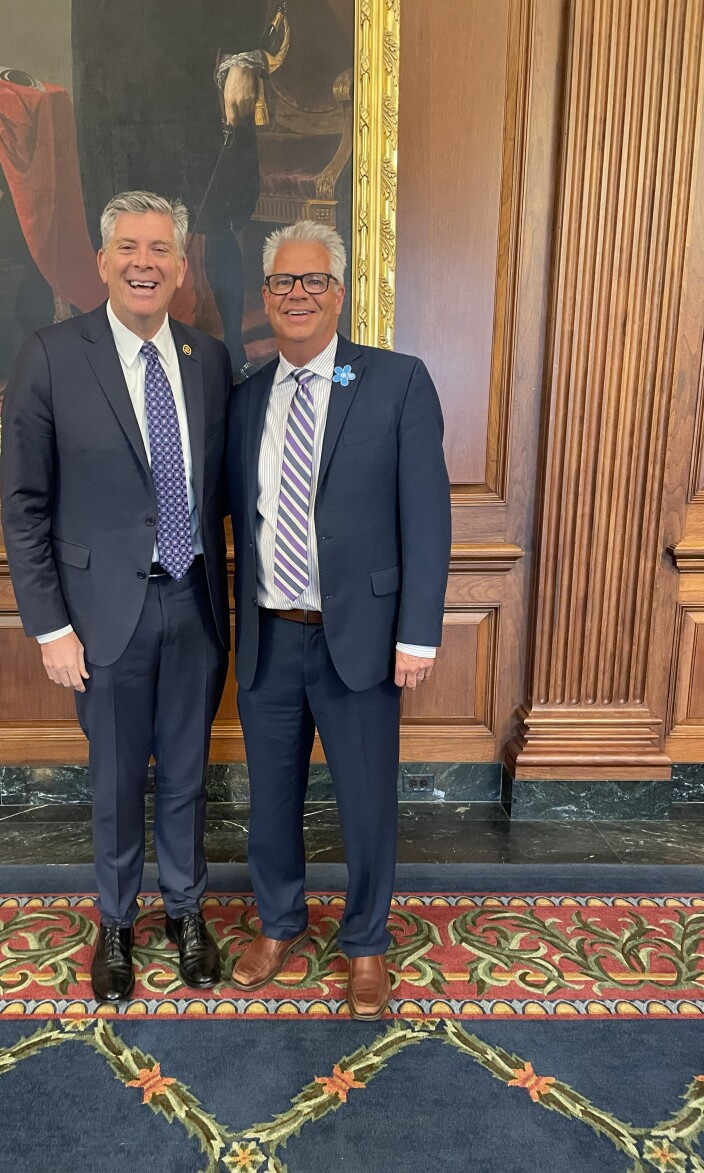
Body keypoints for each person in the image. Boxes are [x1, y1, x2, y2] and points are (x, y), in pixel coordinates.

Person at [1, 191, 231, 1004]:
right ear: (101, 263)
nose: (144, 261)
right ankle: (117, 923)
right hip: (100, 621)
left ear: (180, 265)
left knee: (187, 776)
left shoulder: (208, 359)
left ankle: (186, 912)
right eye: (128, 247)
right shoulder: (53, 355)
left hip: (194, 606)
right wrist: (49, 626)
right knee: (115, 780)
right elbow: (24, 504)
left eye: (160, 247)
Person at [226, 220, 451, 1019]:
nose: (298, 294)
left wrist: (418, 631)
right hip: (270, 637)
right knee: (272, 799)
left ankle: (365, 944)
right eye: (284, 282)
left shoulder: (396, 382)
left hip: (362, 640)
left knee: (365, 800)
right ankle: (279, 923)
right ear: (265, 296)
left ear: (340, 292)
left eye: (314, 280)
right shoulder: (246, 396)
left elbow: (427, 516)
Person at [71, 1, 269, 378]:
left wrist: (242, 56)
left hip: (182, 69)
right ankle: (135, 352)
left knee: (214, 217)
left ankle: (233, 349)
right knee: (121, 220)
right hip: (105, 72)